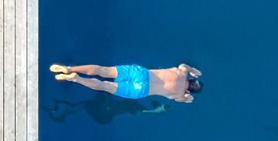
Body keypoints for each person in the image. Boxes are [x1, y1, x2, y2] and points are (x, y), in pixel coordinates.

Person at [50, 63, 203, 103]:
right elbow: (184, 100)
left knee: (104, 70)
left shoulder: (181, 72)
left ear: (191, 79)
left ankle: (68, 68)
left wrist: (194, 71)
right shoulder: (179, 94)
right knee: (105, 86)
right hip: (141, 90)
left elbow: (186, 66)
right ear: (190, 90)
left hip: (141, 73)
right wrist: (187, 97)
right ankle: (77, 79)